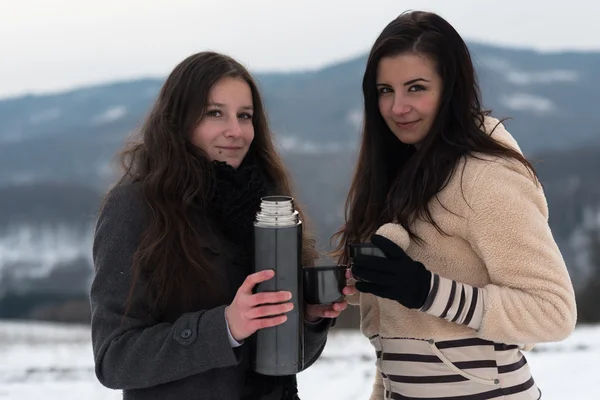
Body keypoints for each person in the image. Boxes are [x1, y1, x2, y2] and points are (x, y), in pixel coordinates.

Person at [332, 11, 577, 400]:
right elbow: (401, 344)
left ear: (451, 90)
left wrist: (425, 290)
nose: (397, 107)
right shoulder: (401, 172)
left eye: (416, 88)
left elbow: (553, 312)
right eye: (385, 90)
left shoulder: (485, 175)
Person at [90, 51, 353, 400]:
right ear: (179, 120)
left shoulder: (267, 205)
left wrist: (306, 317)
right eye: (215, 113)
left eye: (245, 116)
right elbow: (114, 358)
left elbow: (286, 363)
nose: (235, 131)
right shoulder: (135, 207)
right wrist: (224, 327)